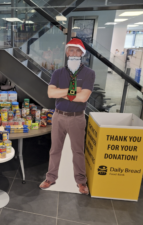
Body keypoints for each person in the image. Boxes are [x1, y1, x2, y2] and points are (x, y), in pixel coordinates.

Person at [39, 38, 95, 195]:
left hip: (77, 117)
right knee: (55, 149)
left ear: (82, 54)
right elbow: (51, 93)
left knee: (78, 150)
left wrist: (62, 92)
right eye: (71, 50)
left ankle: (81, 181)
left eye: (77, 50)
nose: (74, 53)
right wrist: (73, 90)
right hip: (58, 116)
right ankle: (50, 177)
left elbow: (83, 97)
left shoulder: (89, 74)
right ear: (66, 52)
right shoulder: (58, 73)